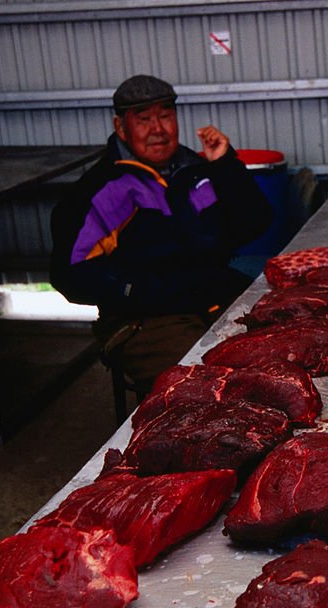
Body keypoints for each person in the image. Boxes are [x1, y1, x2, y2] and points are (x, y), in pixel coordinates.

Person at [51, 74, 271, 393]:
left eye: (166, 116)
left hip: (214, 298)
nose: (158, 129)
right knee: (201, 390)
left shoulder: (195, 171)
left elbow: (254, 223)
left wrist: (225, 164)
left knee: (280, 358)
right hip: (146, 321)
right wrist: (136, 291)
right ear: (120, 126)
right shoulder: (100, 190)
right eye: (143, 119)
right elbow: (68, 273)